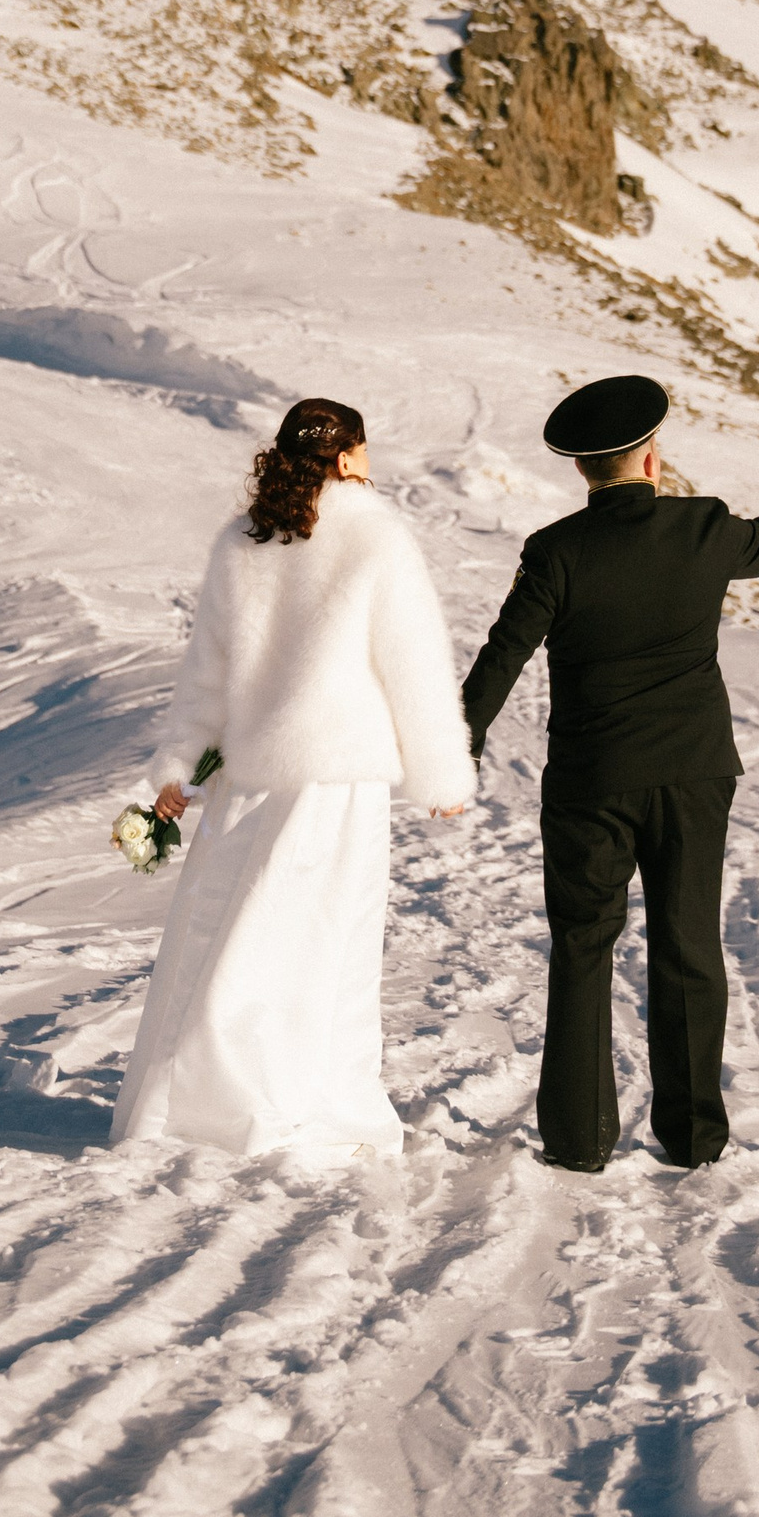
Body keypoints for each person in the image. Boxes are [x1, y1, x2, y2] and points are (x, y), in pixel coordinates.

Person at [461, 374, 759, 1177]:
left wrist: (457, 748)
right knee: (689, 945)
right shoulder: (704, 528)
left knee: (584, 950)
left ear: (582, 471)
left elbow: (502, 655)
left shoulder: (555, 551)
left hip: (591, 783)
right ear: (652, 458)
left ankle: (577, 1139)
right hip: (694, 775)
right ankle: (695, 1136)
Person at [111, 397, 472, 1162]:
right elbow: (411, 664)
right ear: (347, 458)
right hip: (337, 782)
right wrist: (439, 770)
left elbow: (205, 673)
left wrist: (182, 766)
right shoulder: (376, 535)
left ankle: (206, 1099)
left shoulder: (243, 541)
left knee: (229, 934)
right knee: (322, 944)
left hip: (249, 777)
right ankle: (303, 1100)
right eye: (365, 450)